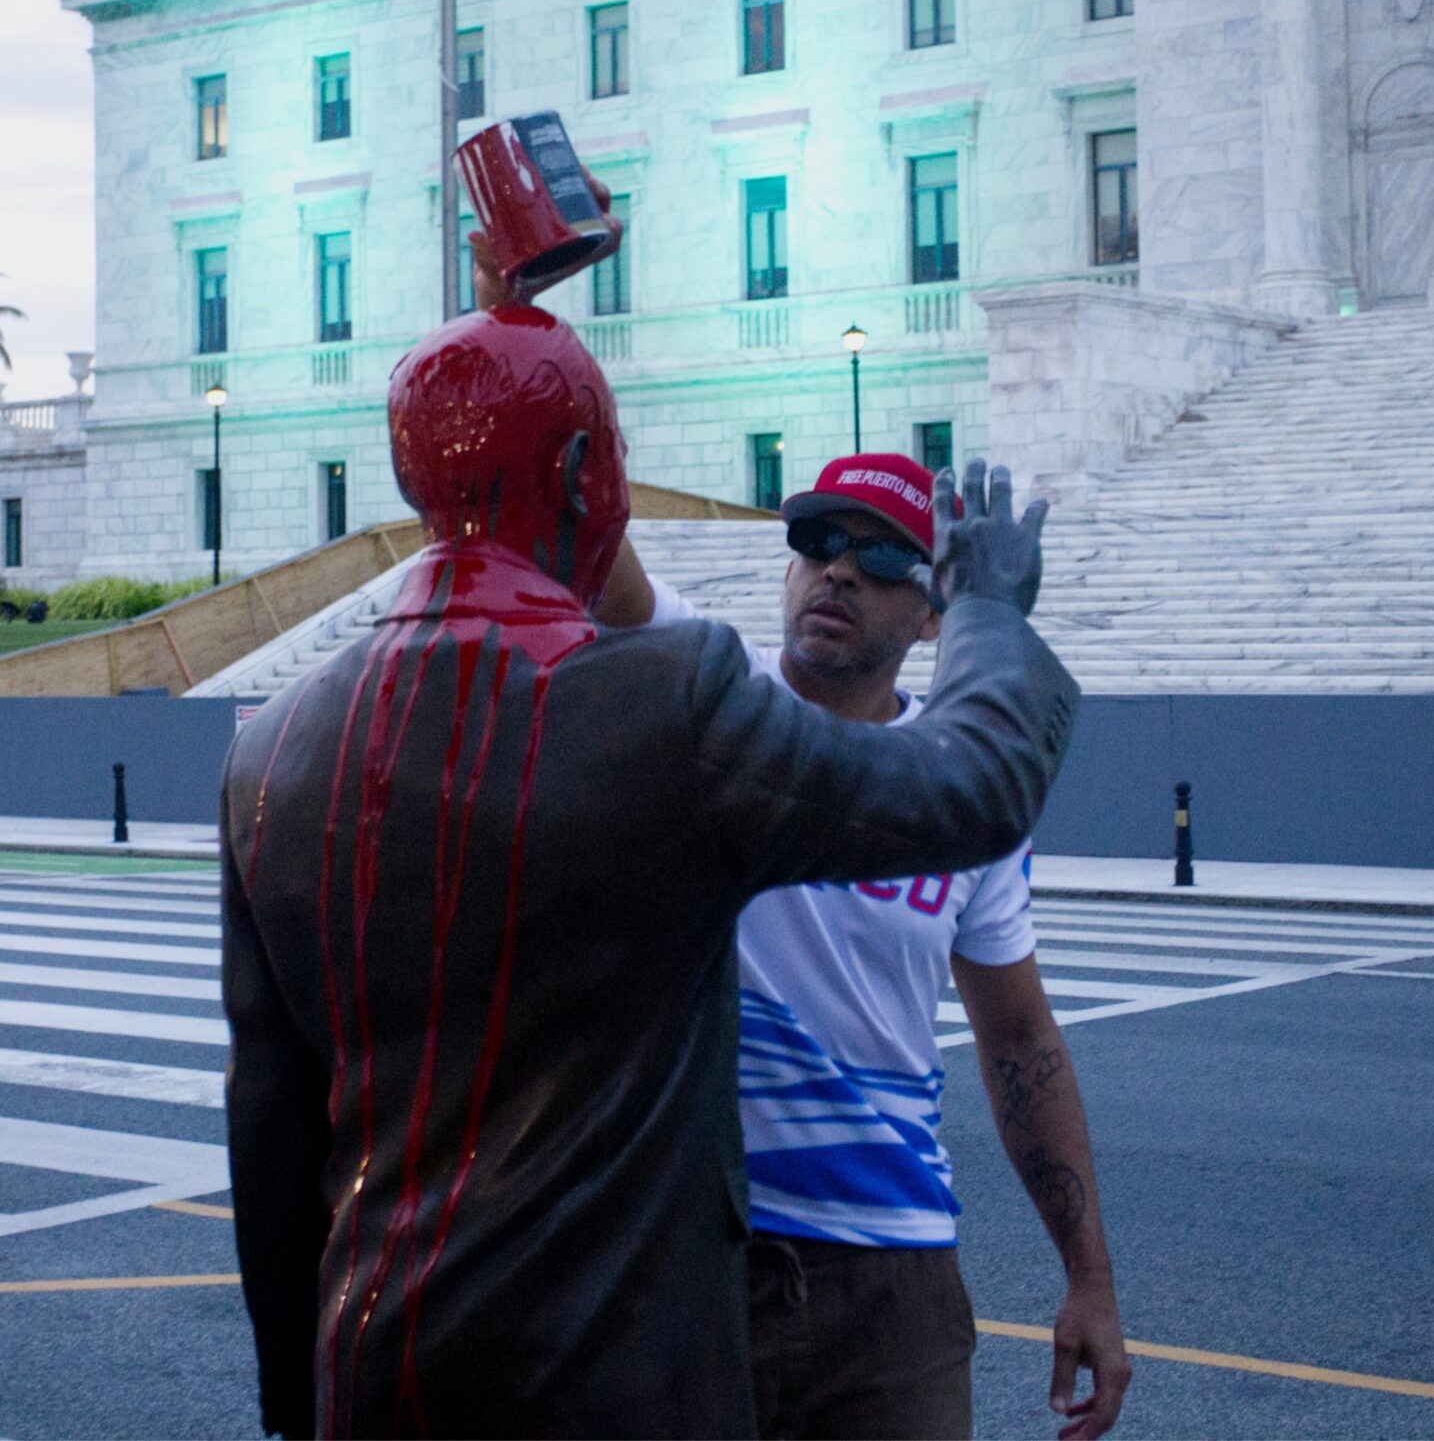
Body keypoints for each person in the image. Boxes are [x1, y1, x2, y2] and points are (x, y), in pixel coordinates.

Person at [220, 226, 1082, 1436]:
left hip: (380, 1364)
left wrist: (294, 1395)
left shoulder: (270, 746)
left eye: (876, 560)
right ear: (584, 473)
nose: (833, 572)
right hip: (613, 1380)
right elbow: (977, 782)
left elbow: (269, 1128)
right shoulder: (668, 704)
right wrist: (987, 604)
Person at [596, 452, 1130, 1441]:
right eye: (816, 541)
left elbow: (1019, 1037)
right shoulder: (707, 692)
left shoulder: (960, 784)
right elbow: (600, 569)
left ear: (935, 616)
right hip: (692, 1258)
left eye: (884, 557)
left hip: (894, 1290)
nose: (837, 569)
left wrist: (1089, 1282)